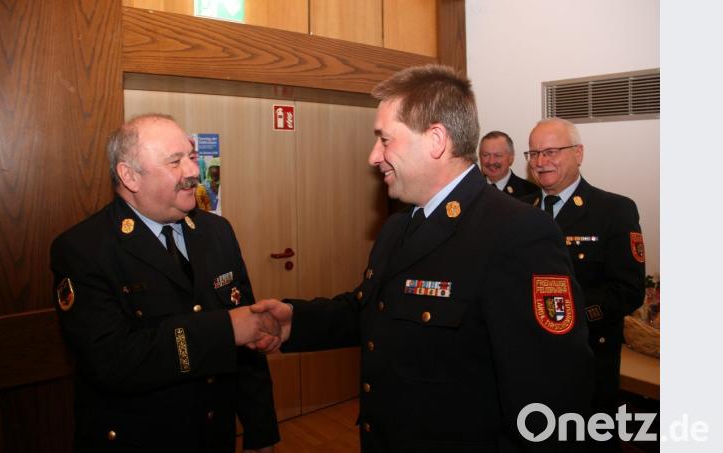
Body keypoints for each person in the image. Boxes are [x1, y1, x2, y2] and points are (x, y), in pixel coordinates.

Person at [252, 65, 594, 451]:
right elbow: (373, 309)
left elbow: (553, 391)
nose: (373, 156)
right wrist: (294, 322)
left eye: (384, 140)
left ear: (435, 140)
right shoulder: (399, 226)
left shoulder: (516, 232)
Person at [50, 114, 280, 452]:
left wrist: (261, 432)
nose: (192, 171)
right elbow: (111, 362)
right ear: (130, 176)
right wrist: (224, 330)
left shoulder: (217, 232)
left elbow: (249, 340)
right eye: (175, 161)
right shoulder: (83, 249)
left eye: (191, 157)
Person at [522, 118, 646, 449]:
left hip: (587, 362)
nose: (540, 161)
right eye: (533, 153)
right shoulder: (519, 212)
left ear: (578, 153)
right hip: (527, 364)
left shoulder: (614, 210)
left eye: (550, 151)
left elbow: (628, 291)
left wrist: (566, 316)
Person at [479, 130, 539, 198]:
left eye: (498, 155)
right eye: (485, 155)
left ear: (511, 158)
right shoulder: (470, 188)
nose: (491, 161)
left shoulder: (531, 192)